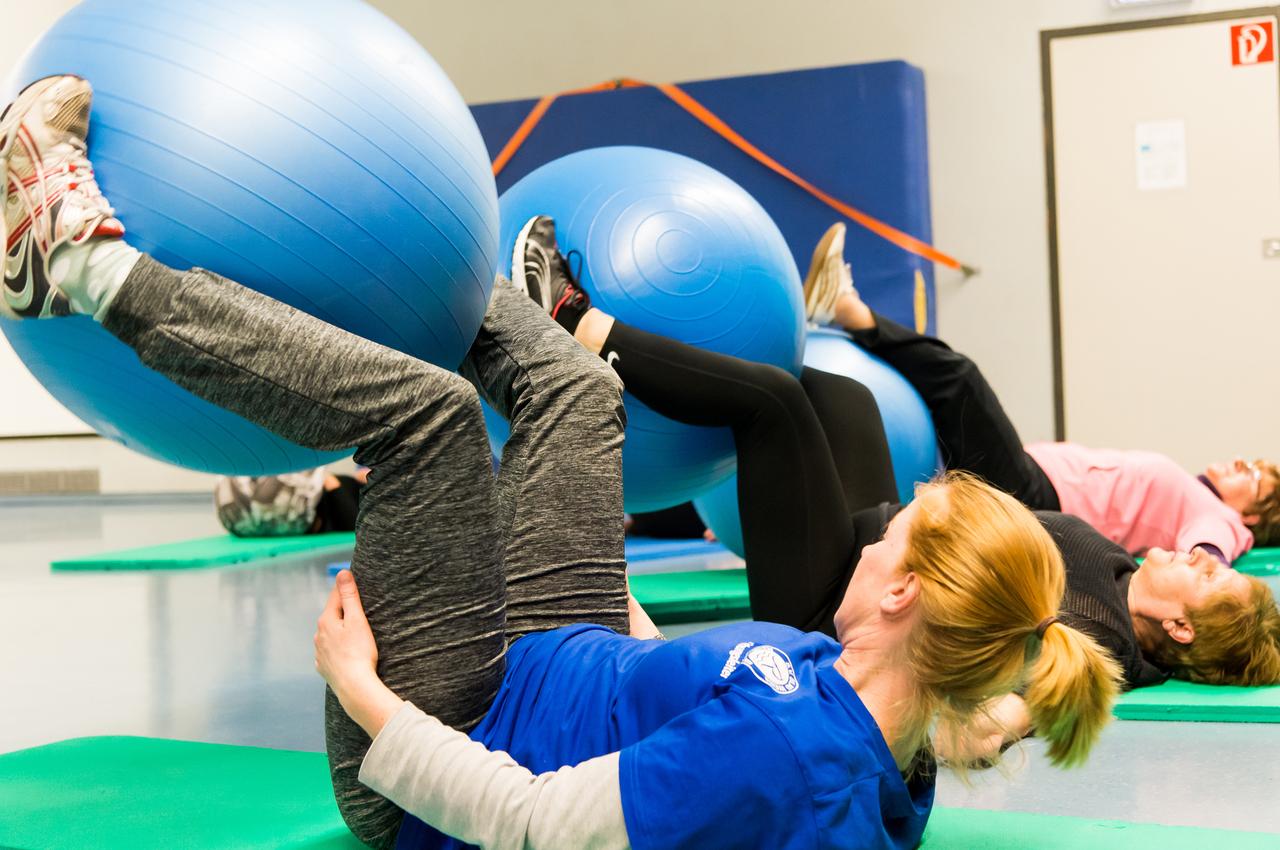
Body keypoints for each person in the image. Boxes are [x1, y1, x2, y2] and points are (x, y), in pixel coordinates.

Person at [5, 76, 1117, 850]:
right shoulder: (879, 718)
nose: (873, 528)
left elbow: (532, 822)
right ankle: (435, 260)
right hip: (562, 657)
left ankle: (72, 262)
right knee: (583, 393)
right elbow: (678, 701)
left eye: (893, 535)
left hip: (452, 743)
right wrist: (601, 572)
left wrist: (362, 693)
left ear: (906, 590)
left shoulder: (790, 754)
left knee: (430, 421)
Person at [509, 212, 1280, 741]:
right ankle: (691, 349)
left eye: (1209, 579)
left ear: (1179, 628)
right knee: (840, 393)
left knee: (773, 408)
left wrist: (988, 729)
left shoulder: (1098, 638)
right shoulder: (1120, 565)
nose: (1193, 557)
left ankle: (571, 318)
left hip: (836, 613)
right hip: (872, 541)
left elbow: (1012, 702)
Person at [803, 224, 1280, 564]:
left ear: (1252, 519)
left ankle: (847, 310)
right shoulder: (1196, 492)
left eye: (1255, 478)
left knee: (958, 380)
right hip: (1030, 490)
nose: (1244, 462)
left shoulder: (1218, 516)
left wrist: (1206, 560)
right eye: (1254, 460)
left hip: (1032, 502)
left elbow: (1211, 552)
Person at [214, 467, 366, 537]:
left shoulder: (350, 490)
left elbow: (351, 522)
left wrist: (328, 479)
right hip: (238, 523)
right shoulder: (355, 486)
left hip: (303, 512)